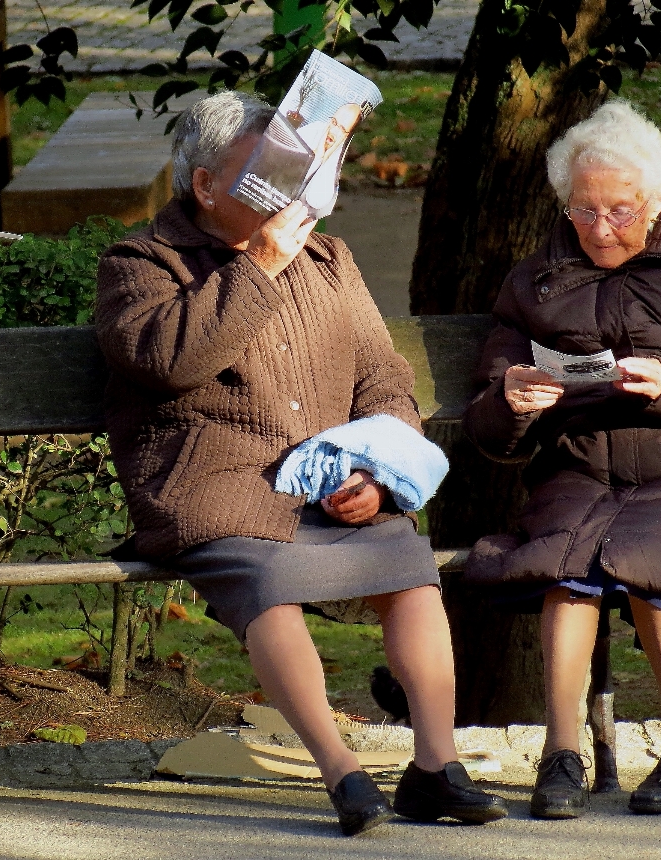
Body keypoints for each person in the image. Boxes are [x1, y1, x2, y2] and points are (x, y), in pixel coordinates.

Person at [95, 91, 506, 836]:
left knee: (410, 567)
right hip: (213, 488)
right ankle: (342, 773)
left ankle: (434, 768)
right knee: (268, 579)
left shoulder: (329, 258)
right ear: (207, 186)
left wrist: (377, 476)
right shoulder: (140, 263)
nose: (290, 185)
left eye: (294, 165)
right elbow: (169, 362)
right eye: (268, 169)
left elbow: (383, 379)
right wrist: (258, 266)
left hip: (326, 482)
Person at [462, 100, 661, 819]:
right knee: (568, 568)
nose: (601, 229)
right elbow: (490, 419)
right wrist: (511, 400)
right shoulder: (534, 280)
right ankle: (561, 753)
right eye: (584, 212)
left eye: (620, 210)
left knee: (650, 554)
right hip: (579, 469)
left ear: (658, 199)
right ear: (563, 205)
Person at [297, 102, 362, 217]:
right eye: (334, 122)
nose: (333, 131)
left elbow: (315, 201)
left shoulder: (339, 156)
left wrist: (320, 159)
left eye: (342, 129)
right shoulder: (316, 128)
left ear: (348, 136)